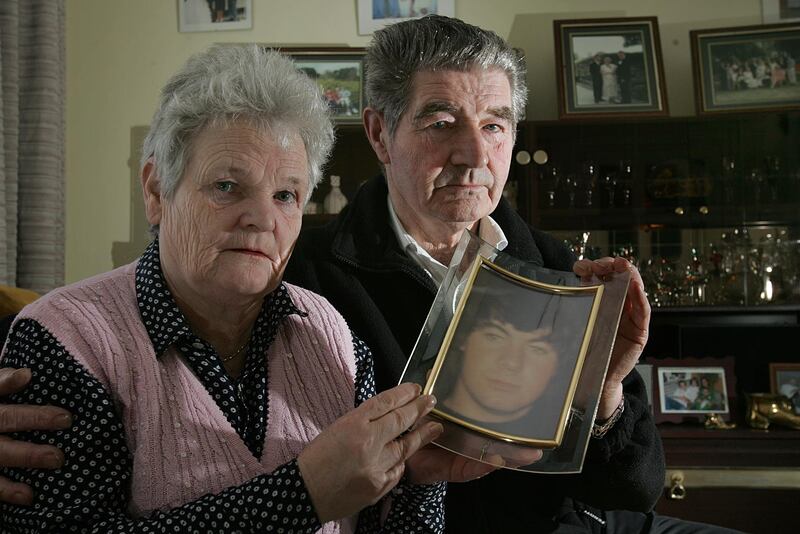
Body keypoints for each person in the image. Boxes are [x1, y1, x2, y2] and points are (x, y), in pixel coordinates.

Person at [0, 15, 744, 534]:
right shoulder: (308, 283)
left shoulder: (551, 271)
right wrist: (318, 494)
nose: (473, 153)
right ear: (382, 133)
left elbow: (632, 490)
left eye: (495, 125)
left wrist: (605, 399)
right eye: (441, 120)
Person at [0, 44, 450, 532]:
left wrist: (417, 482)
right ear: (156, 191)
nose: (262, 219)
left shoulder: (333, 333)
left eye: (285, 195)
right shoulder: (66, 341)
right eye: (227, 187)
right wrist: (301, 496)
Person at [437, 284, 591, 442]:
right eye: (494, 337)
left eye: (537, 349)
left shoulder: (562, 447)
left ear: (559, 365)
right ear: (462, 338)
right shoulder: (414, 415)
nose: (511, 362)